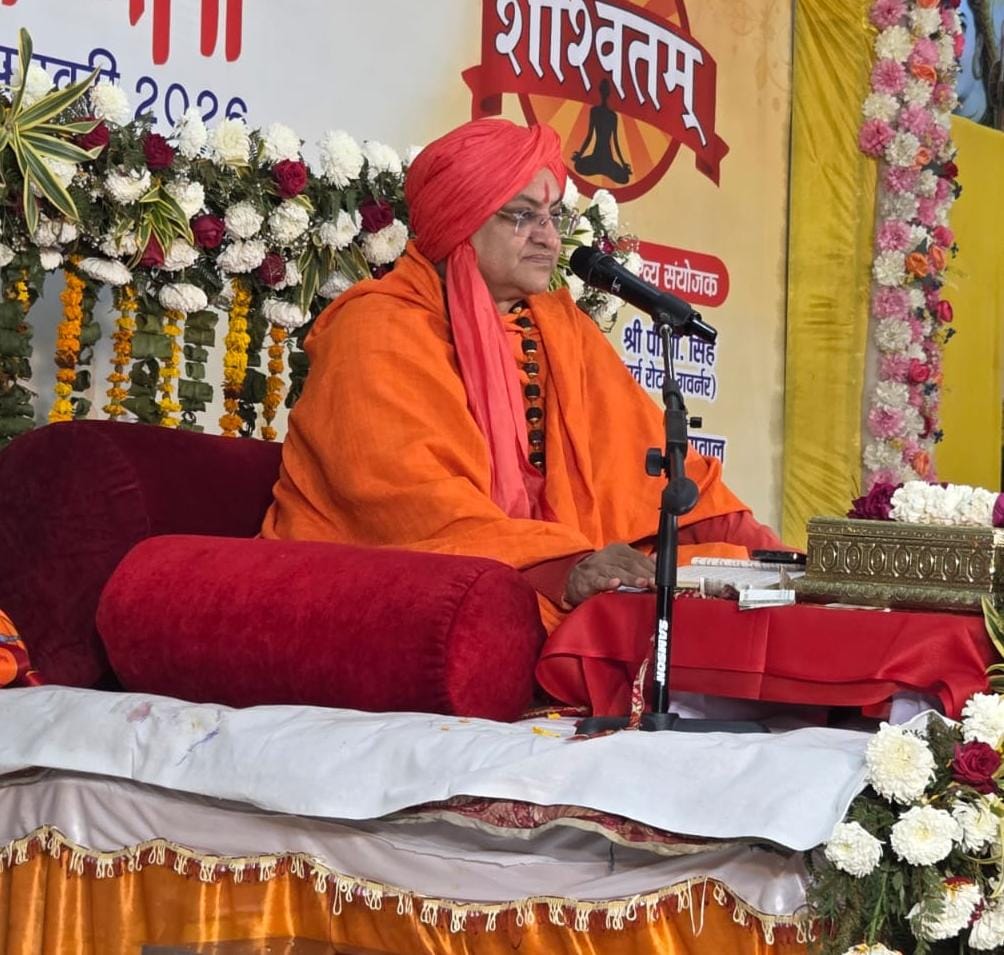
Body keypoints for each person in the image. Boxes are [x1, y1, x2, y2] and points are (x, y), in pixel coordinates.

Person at [260, 118, 786, 639]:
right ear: (459, 221)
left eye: (553, 216)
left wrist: (781, 561)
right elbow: (413, 506)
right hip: (392, 594)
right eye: (522, 216)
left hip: (552, 563)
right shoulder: (376, 329)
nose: (549, 238)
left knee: (715, 578)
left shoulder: (560, 329)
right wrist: (565, 568)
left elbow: (666, 480)